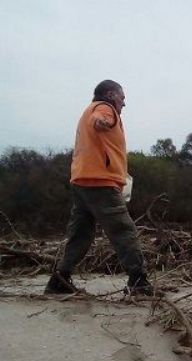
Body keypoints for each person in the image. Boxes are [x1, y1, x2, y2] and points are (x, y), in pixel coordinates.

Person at [45, 80, 154, 296]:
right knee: (124, 230)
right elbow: (101, 118)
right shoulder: (104, 109)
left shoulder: (87, 111)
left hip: (81, 181)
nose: (124, 103)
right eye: (122, 98)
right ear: (111, 95)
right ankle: (138, 281)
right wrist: (102, 120)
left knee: (80, 234)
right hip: (100, 183)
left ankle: (59, 280)